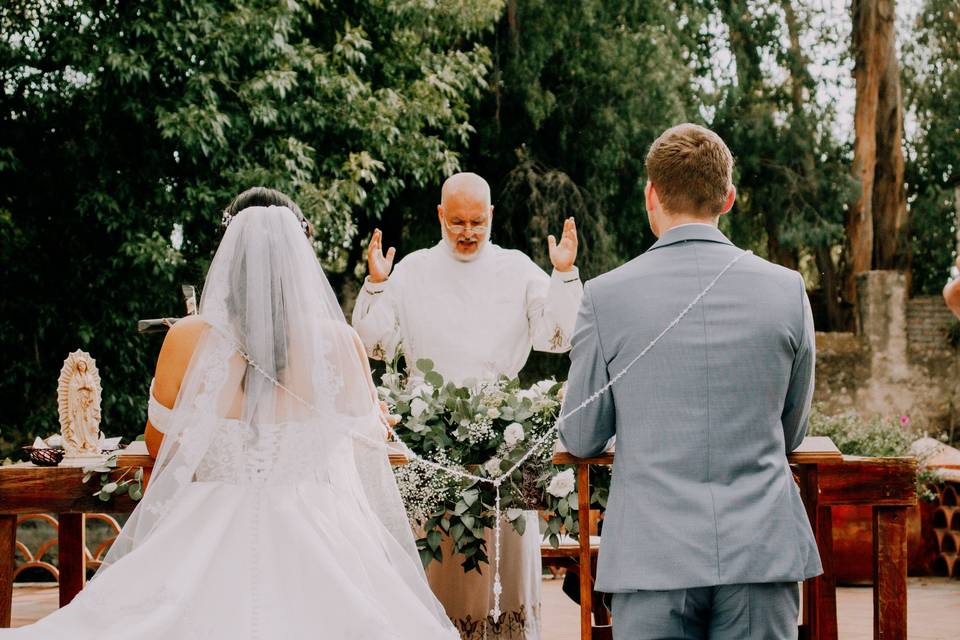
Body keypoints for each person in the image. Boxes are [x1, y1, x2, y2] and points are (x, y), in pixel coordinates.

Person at [6, 187, 457, 639]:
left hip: (206, 528)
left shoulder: (185, 338)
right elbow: (366, 450)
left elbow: (163, 446)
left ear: (229, 254)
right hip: (317, 529)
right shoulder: (340, 343)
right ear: (301, 253)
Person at [560, 124, 822, 639]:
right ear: (728, 198)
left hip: (651, 557)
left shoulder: (605, 296)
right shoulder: (787, 290)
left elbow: (582, 434)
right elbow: (791, 432)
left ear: (651, 195)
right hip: (760, 553)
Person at [352, 172, 583, 639]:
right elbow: (373, 344)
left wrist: (562, 274)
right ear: (440, 215)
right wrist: (377, 284)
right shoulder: (412, 270)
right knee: (436, 569)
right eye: (456, 221)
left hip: (501, 446)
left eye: (477, 221)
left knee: (500, 573)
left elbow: (557, 336)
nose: (468, 231)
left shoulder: (517, 268)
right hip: (425, 445)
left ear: (491, 216)